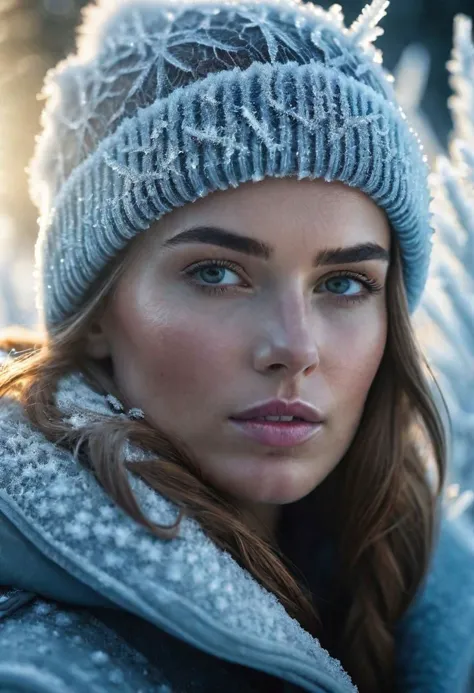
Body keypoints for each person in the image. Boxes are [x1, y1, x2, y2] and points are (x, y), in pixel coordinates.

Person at [0, 0, 473, 691]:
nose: (294, 346)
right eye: (216, 273)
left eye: (343, 282)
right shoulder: (45, 668)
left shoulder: (431, 605)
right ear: (98, 313)